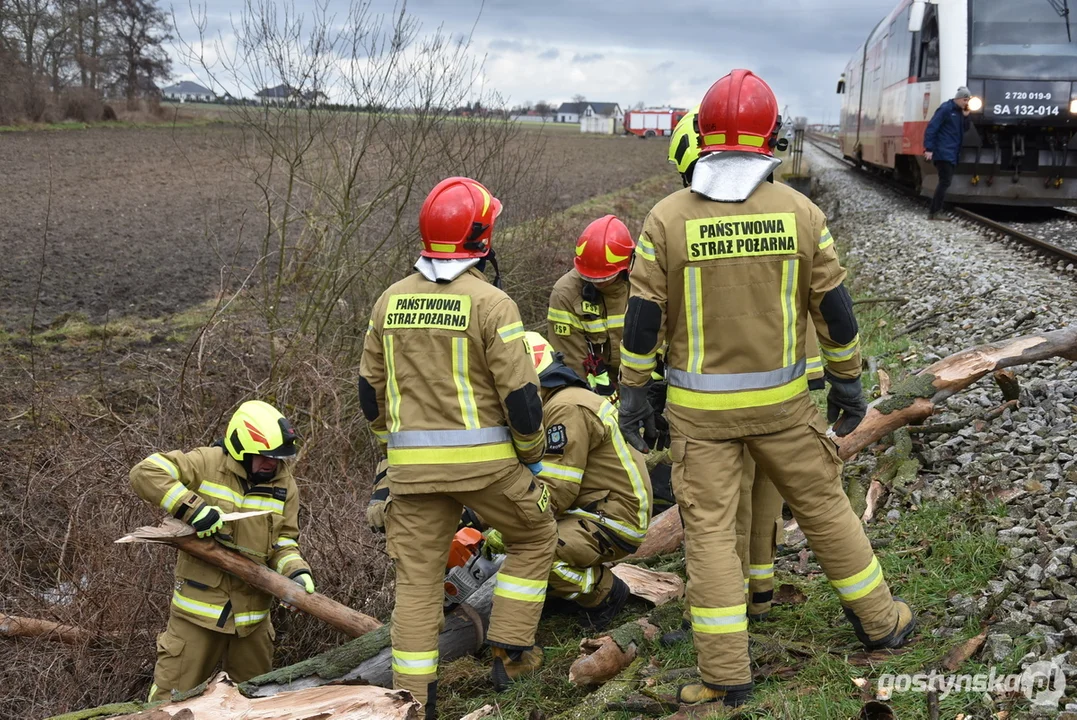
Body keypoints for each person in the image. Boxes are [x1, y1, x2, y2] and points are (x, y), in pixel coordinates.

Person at [618, 69, 915, 708]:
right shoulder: (801, 213)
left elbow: (643, 320)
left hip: (700, 419)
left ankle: (726, 673)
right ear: (770, 135)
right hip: (785, 409)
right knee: (827, 509)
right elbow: (835, 313)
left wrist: (634, 393)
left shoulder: (667, 218)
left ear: (704, 133)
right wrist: (846, 383)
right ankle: (882, 621)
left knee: (710, 535)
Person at [358, 176, 558, 718]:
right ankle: (512, 653)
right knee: (537, 534)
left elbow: (368, 395)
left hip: (412, 476)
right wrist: (533, 454)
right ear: (482, 238)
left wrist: (391, 449)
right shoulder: (493, 304)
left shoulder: (388, 302)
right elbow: (521, 398)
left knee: (418, 585)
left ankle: (413, 703)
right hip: (488, 469)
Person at [367, 331, 653, 631]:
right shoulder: (548, 407)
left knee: (532, 550)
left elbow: (554, 494)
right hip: (590, 511)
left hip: (612, 519)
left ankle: (603, 592)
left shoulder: (565, 409)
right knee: (520, 544)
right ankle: (563, 588)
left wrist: (495, 524)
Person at [667, 110, 829, 621]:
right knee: (768, 493)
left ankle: (731, 602)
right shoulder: (791, 210)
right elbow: (824, 302)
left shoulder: (678, 219)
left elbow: (661, 318)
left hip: (713, 399)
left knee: (723, 506)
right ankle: (760, 591)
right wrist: (843, 379)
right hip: (787, 381)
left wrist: (642, 390)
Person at [130, 400, 313, 701]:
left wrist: (297, 572)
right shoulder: (205, 463)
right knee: (169, 705)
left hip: (253, 624)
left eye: (279, 458)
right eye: (266, 456)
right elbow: (145, 472)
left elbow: (284, 543)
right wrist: (192, 508)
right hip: (195, 620)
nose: (273, 464)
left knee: (255, 706)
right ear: (242, 447)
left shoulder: (284, 485)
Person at [547, 215, 634, 398]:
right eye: (590, 278)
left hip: (642, 385)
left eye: (603, 278)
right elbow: (571, 363)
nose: (596, 283)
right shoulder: (566, 293)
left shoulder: (645, 282)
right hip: (596, 391)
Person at [924, 86, 972, 220]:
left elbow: (965, 129)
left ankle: (935, 211)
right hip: (943, 151)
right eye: (965, 100)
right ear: (959, 98)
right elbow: (932, 128)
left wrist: (966, 117)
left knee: (945, 181)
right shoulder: (946, 109)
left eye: (968, 100)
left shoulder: (959, 112)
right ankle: (934, 212)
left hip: (951, 151)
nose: (966, 103)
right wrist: (929, 148)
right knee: (945, 181)